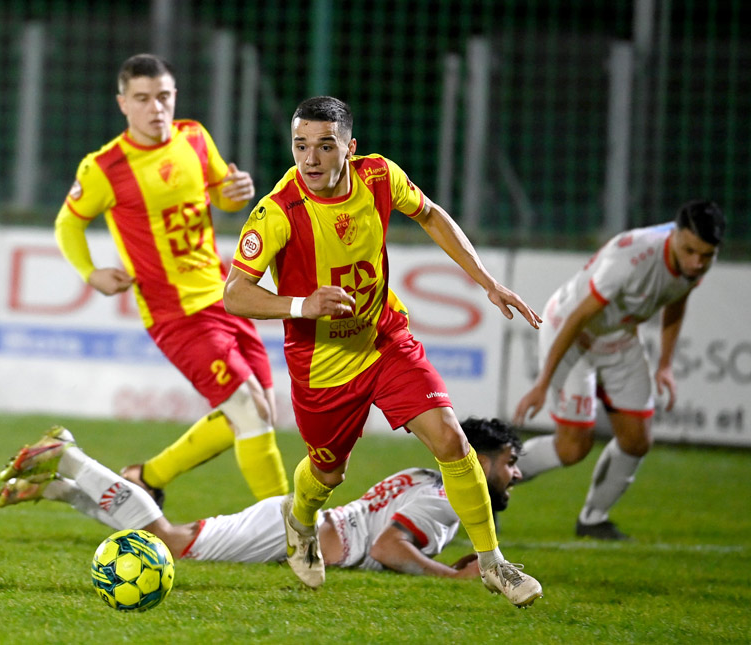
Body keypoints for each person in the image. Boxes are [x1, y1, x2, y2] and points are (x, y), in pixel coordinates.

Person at [221, 96, 543, 606]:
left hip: (384, 338)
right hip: (322, 364)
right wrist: (303, 305)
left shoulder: (379, 177)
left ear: (350, 147)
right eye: (300, 146)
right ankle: (300, 521)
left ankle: (493, 564)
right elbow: (234, 293)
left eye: (325, 147)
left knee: (452, 442)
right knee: (327, 473)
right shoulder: (278, 211)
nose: (310, 159)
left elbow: (432, 215)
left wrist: (488, 282)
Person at [53, 53, 287, 506]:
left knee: (261, 415)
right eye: (142, 99)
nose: (155, 108)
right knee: (249, 412)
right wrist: (91, 272)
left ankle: (147, 476)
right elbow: (67, 223)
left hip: (226, 296)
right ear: (123, 103)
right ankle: (286, 530)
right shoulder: (104, 168)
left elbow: (222, 191)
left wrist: (236, 194)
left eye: (163, 97)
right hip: (174, 313)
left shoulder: (195, 137)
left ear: (174, 96)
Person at [0, 418, 526, 583]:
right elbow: (388, 546)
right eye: (507, 461)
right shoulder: (448, 500)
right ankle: (68, 458)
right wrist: (449, 576)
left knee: (169, 536)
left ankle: (60, 488)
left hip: (299, 523)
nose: (516, 472)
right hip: (301, 531)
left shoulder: (423, 476)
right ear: (478, 460)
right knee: (171, 544)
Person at [512, 200, 726, 540]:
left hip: (619, 337)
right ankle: (481, 483)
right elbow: (579, 316)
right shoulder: (630, 260)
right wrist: (543, 382)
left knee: (637, 440)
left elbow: (677, 299)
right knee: (572, 448)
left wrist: (666, 365)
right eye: (690, 251)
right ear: (674, 235)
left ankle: (593, 519)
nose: (696, 263)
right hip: (574, 334)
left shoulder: (694, 261)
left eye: (706, 256)